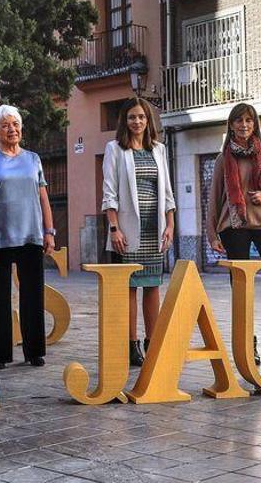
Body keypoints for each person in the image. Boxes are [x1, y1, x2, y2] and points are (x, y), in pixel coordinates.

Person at [0, 105, 56, 368]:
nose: (12, 129)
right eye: (6, 125)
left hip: (31, 235)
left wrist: (49, 231)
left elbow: (43, 196)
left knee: (33, 295)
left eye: (16, 124)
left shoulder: (33, 159)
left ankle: (34, 351)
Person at [207, 103, 261, 365]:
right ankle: (248, 346)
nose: (244, 125)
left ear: (255, 125)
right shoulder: (224, 159)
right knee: (242, 289)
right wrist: (212, 234)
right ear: (231, 125)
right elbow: (214, 198)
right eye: (239, 121)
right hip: (235, 226)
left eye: (249, 121)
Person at [102, 97, 176, 367]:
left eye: (142, 117)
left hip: (154, 228)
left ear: (148, 120)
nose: (137, 122)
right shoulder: (115, 149)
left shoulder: (158, 149)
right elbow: (109, 192)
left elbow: (166, 192)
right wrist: (114, 228)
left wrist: (170, 224)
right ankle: (131, 345)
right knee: (131, 287)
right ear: (125, 120)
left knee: (153, 285)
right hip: (128, 228)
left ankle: (152, 341)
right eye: (132, 117)